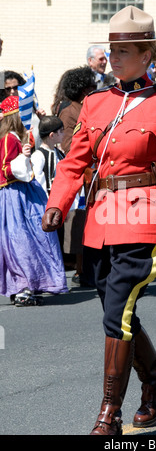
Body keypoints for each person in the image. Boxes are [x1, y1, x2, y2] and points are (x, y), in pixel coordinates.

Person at [42, 5, 156, 435]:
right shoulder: (96, 103)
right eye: (112, 49)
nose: (115, 56)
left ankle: (109, 412)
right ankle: (155, 385)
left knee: (117, 311)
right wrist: (58, 203)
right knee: (115, 313)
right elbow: (73, 163)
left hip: (145, 215)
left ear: (148, 56)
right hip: (102, 219)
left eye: (125, 50)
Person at [0, 96, 68, 306]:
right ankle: (23, 288)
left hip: (19, 192)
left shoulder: (13, 137)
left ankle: (23, 287)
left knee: (22, 241)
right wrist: (24, 156)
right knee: (24, 242)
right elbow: (6, 168)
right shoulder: (9, 138)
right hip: (15, 194)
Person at [57, 66, 96, 285]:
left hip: (93, 173)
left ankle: (90, 269)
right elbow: (67, 145)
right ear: (82, 89)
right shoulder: (70, 111)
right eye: (91, 86)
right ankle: (82, 271)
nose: (94, 89)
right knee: (81, 224)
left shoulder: (90, 107)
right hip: (82, 174)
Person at [31, 116, 64, 196]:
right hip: (47, 201)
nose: (64, 134)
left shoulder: (59, 153)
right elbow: (38, 183)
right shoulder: (39, 156)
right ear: (52, 135)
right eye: (61, 131)